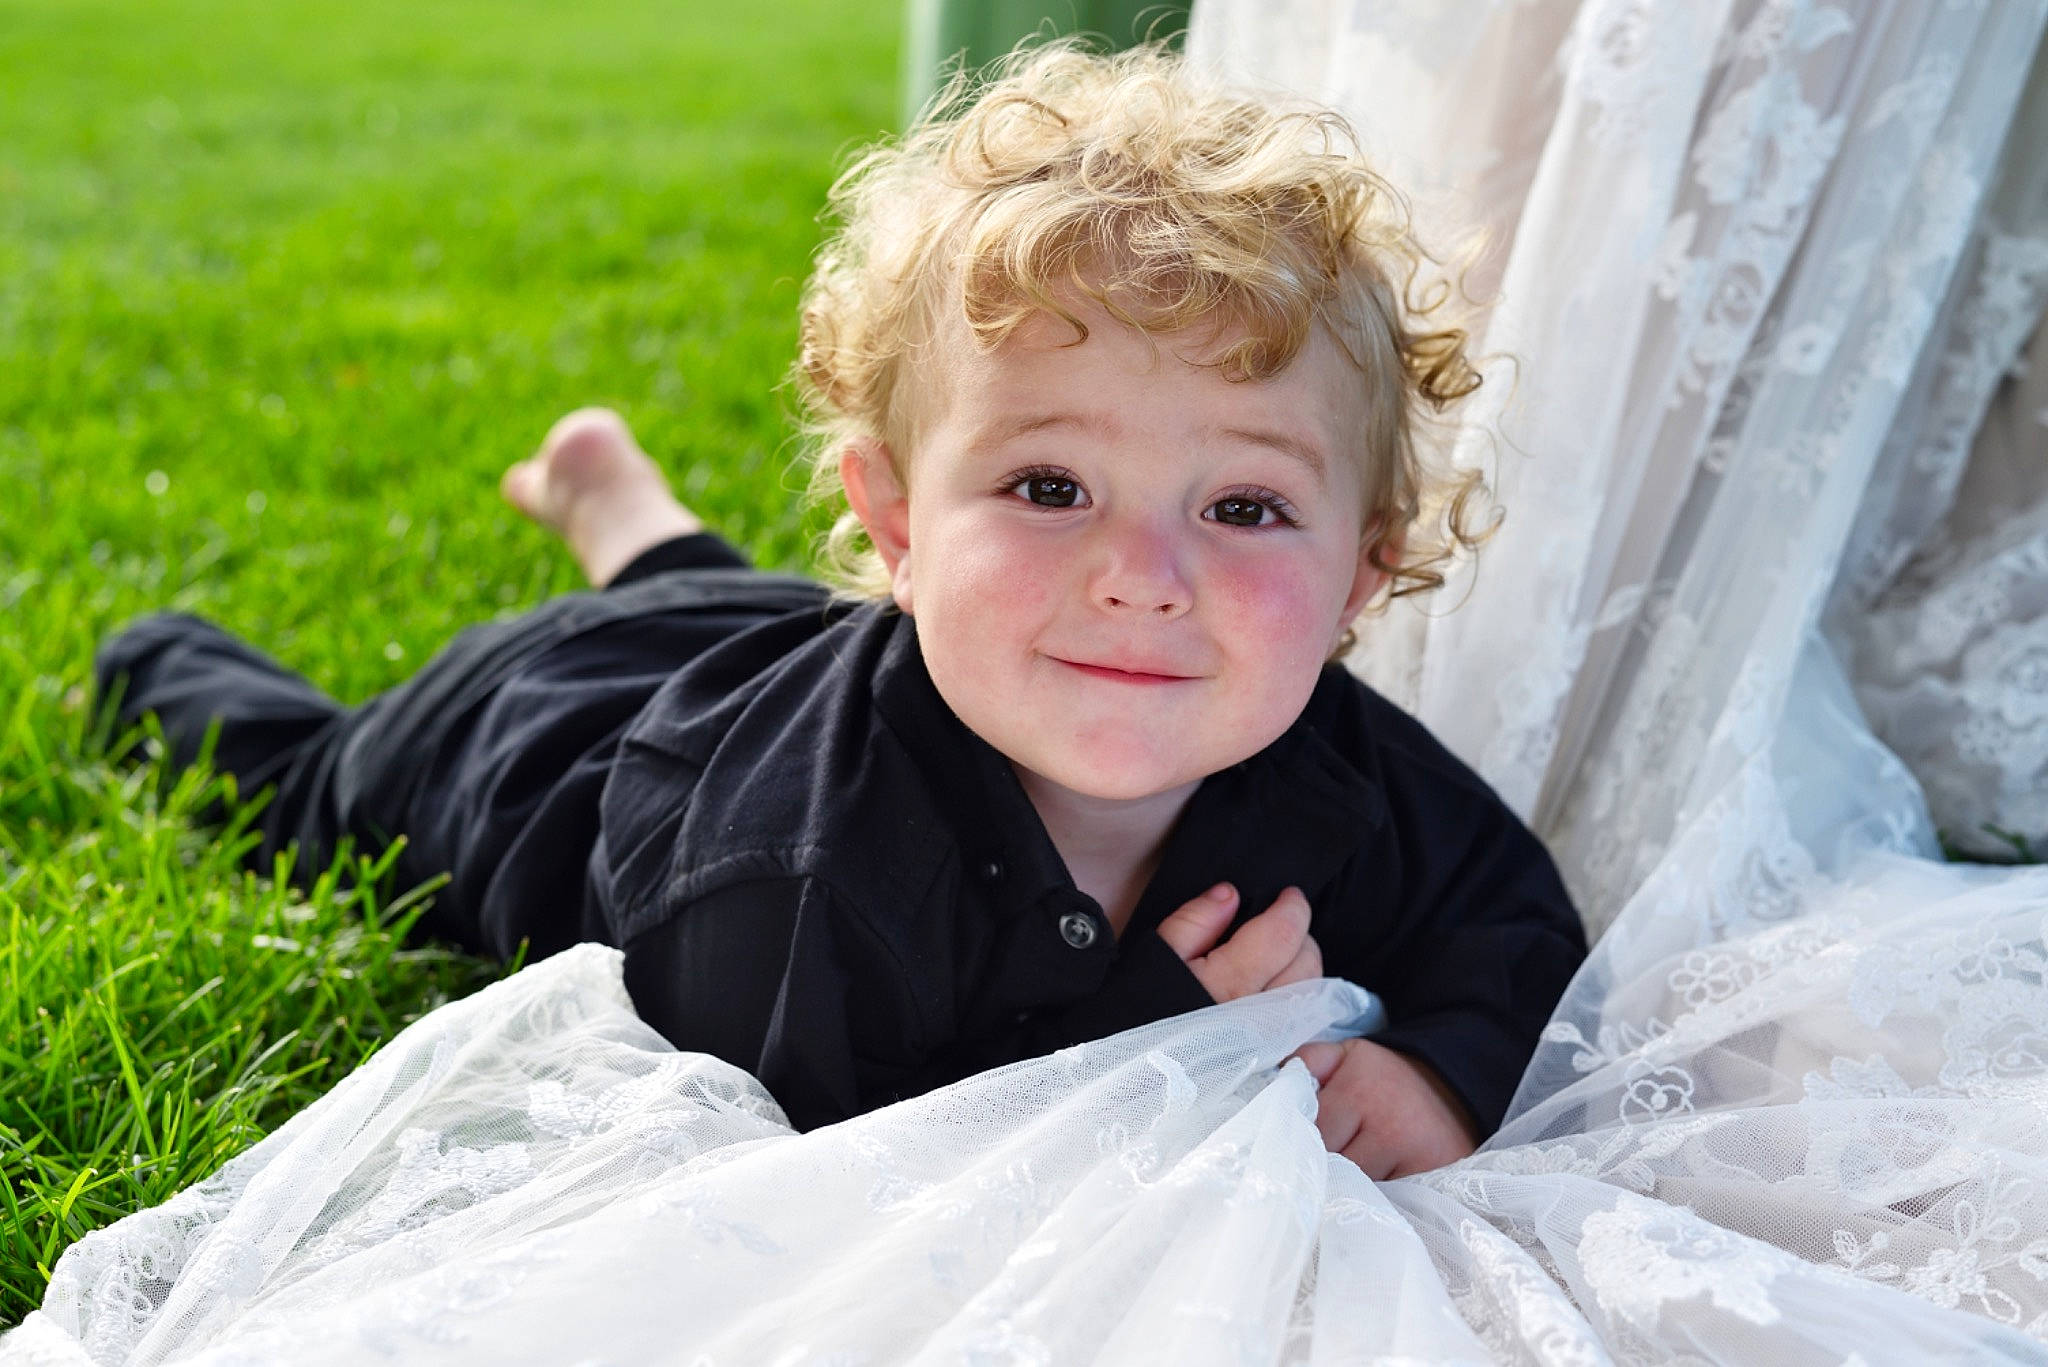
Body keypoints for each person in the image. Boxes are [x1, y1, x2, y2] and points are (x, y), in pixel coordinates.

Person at [93, 41, 1585, 1180]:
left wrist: (1442, 1073)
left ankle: (624, 509)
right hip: (555, 732)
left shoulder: (1327, 759)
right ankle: (159, 655)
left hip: (781, 642)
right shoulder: (786, 882)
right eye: (1051, 486)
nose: (1142, 574)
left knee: (731, 610)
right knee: (307, 779)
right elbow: (811, 1171)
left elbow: (1506, 914)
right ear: (899, 523)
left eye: (1243, 508)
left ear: (1361, 571)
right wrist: (1145, 1040)